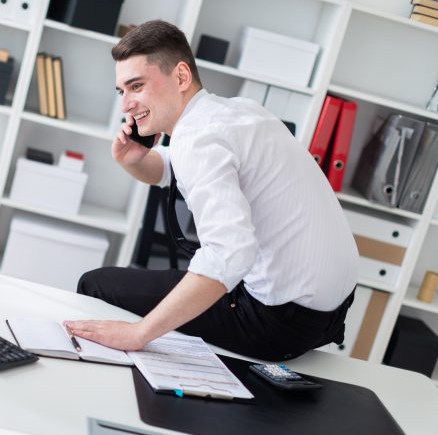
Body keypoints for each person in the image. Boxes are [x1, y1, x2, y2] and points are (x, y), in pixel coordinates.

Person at [64, 20, 358, 362]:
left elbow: (228, 254)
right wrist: (135, 161)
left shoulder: (197, 140)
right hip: (332, 313)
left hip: (275, 323)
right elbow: (176, 166)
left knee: (94, 284)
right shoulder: (238, 111)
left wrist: (138, 333)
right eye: (122, 91)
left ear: (181, 77)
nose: (126, 105)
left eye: (137, 86)